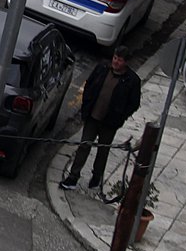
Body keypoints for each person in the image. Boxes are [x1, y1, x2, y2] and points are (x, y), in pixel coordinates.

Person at [59, 46, 141, 191]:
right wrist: (86, 106)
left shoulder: (132, 81)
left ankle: (96, 177)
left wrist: (120, 116)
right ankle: (73, 177)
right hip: (92, 117)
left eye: (120, 60)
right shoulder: (102, 68)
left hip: (110, 123)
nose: (116, 62)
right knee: (84, 145)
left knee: (102, 151)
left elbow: (134, 103)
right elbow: (89, 85)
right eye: (115, 58)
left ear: (126, 63)